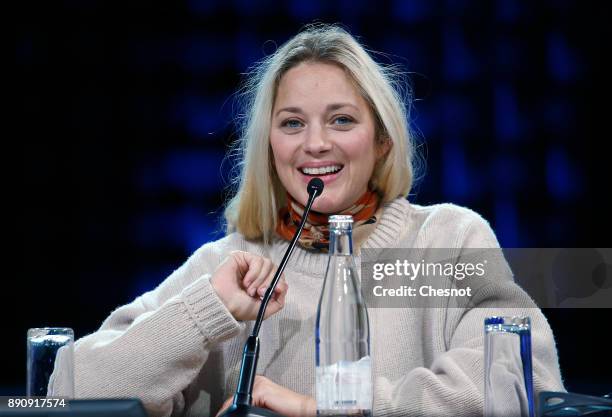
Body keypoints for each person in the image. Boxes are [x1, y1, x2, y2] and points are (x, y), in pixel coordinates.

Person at [58, 24, 564, 417]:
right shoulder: (225, 267)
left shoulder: (448, 241)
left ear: (382, 139)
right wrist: (202, 315)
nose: (315, 143)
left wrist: (328, 406)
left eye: (341, 119)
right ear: (271, 146)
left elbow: (520, 381)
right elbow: (62, 393)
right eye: (292, 123)